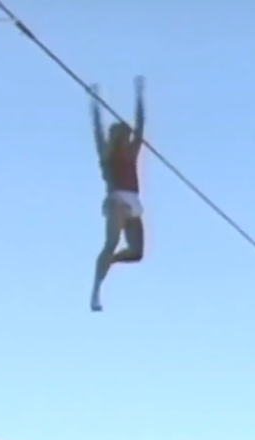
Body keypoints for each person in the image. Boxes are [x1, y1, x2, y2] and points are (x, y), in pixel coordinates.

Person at [89, 77, 146, 311]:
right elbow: (97, 130)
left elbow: (140, 126)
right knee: (111, 242)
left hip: (133, 202)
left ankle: (109, 261)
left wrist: (139, 95)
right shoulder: (107, 154)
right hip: (118, 201)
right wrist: (94, 102)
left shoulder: (131, 152)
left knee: (137, 253)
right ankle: (96, 291)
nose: (128, 138)